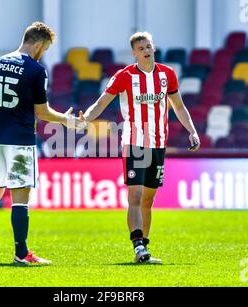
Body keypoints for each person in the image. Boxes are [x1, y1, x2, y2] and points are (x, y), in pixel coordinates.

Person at [0, 21, 84, 265]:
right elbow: (42, 112)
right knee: (20, 197)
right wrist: (66, 120)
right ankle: (21, 253)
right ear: (38, 44)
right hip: (20, 139)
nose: (43, 55)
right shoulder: (36, 70)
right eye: (45, 49)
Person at [81, 32, 200, 264]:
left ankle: (145, 248)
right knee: (134, 196)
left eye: (148, 46)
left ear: (153, 47)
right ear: (134, 53)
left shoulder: (168, 75)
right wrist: (85, 118)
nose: (146, 50)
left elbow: (179, 106)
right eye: (141, 48)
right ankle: (137, 247)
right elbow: (102, 102)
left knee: (148, 199)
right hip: (135, 142)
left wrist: (192, 130)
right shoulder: (124, 76)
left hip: (158, 143)